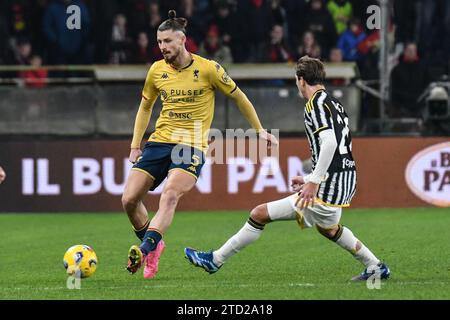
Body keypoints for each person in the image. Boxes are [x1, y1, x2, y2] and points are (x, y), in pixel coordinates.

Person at [185, 56, 390, 282]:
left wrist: (314, 181)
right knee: (329, 229)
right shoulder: (334, 103)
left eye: (296, 80)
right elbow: (337, 146)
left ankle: (215, 259)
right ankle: (375, 266)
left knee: (258, 214)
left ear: (301, 80)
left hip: (329, 185)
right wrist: (311, 177)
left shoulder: (316, 104)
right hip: (343, 178)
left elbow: (330, 142)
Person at [122, 10, 278, 279]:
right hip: (159, 142)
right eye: (159, 42)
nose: (163, 47)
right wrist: (136, 145)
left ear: (182, 40)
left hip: (191, 146)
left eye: (168, 41)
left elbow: (240, 97)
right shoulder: (156, 70)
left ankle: (146, 248)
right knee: (128, 200)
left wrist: (259, 130)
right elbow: (145, 107)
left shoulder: (208, 69)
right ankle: (155, 244)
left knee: (170, 194)